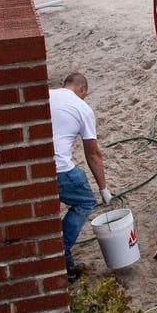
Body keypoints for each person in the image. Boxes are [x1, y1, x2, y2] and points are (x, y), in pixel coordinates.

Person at [50, 73, 112, 283]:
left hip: (36, 170)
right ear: (82, 89)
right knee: (85, 200)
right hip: (60, 170)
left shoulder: (47, 95)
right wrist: (103, 189)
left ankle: (67, 267)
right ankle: (60, 250)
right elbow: (93, 154)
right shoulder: (82, 108)